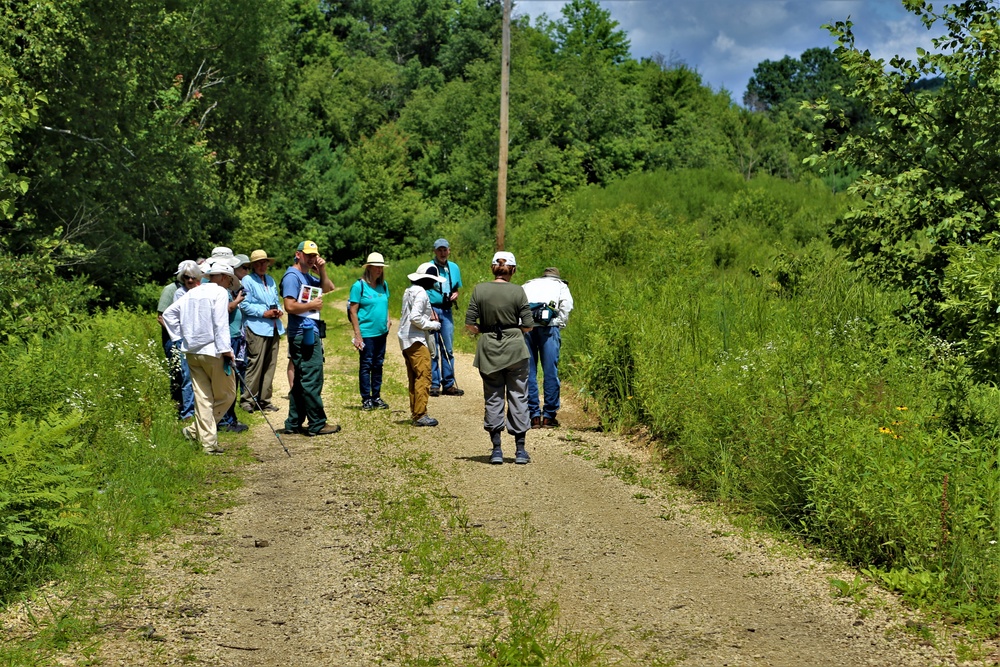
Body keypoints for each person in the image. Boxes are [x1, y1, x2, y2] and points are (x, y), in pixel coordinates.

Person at [161, 261, 238, 454]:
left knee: (203, 398)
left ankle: (205, 441)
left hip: (192, 352)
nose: (229, 283)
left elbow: (169, 314)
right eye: (229, 279)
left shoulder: (193, 292)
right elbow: (221, 323)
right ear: (222, 277)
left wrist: (180, 338)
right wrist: (226, 350)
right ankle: (200, 434)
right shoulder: (219, 293)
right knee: (227, 394)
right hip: (213, 351)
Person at [465, 251, 534, 465]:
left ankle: (496, 450)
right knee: (518, 395)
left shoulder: (480, 290)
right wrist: (515, 330)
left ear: (493, 268)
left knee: (493, 396)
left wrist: (482, 330)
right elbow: (528, 324)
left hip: (489, 349)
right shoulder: (518, 291)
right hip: (515, 349)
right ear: (512, 270)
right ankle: (520, 451)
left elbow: (470, 323)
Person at [280, 240, 340, 436]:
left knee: (300, 381)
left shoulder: (306, 275)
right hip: (302, 334)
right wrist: (311, 305)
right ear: (298, 254)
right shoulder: (292, 277)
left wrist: (321, 270)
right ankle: (317, 423)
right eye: (308, 255)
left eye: (314, 255)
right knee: (312, 377)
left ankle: (294, 422)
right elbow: (288, 306)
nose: (312, 258)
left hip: (306, 332)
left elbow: (329, 287)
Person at [521, 267, 574, 428]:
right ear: (556, 277)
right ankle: (549, 416)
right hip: (549, 327)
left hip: (527, 327)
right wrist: (560, 324)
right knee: (550, 371)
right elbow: (567, 306)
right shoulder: (560, 286)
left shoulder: (528, 285)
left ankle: (533, 415)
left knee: (529, 371)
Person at [399, 263, 444, 427]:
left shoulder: (409, 290)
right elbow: (415, 317)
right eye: (432, 280)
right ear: (426, 279)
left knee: (414, 376)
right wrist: (433, 325)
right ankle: (420, 415)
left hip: (405, 339)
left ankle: (416, 412)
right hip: (416, 339)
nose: (434, 283)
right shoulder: (422, 293)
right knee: (424, 376)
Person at [240, 249, 284, 414]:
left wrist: (279, 310)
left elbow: (276, 301)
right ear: (253, 265)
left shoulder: (271, 280)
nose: (262, 265)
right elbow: (244, 304)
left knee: (270, 365)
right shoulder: (247, 280)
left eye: (264, 262)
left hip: (273, 326)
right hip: (256, 327)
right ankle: (247, 400)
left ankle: (264, 400)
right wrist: (263, 312)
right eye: (258, 263)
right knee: (255, 364)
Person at [348, 252, 391, 411]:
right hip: (366, 333)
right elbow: (353, 311)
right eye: (376, 267)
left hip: (381, 332)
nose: (379, 269)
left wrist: (388, 319)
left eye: (381, 267)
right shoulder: (358, 286)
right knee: (366, 365)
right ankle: (366, 398)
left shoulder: (383, 285)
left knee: (378, 364)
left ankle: (376, 396)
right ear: (369, 267)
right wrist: (357, 335)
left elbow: (385, 304)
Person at [218, 254, 251, 433]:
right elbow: (225, 309)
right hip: (229, 338)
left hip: (237, 337)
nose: (246, 271)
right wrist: (236, 302)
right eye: (243, 268)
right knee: (228, 380)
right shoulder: (222, 291)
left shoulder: (231, 289)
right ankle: (225, 421)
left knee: (235, 380)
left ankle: (231, 419)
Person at [428, 238, 464, 397]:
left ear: (449, 250)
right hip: (432, 310)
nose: (442, 253)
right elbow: (422, 289)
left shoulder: (454, 267)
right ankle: (434, 384)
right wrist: (428, 310)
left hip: (447, 310)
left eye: (445, 250)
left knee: (448, 348)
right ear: (435, 251)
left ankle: (448, 384)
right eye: (439, 250)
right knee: (433, 348)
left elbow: (456, 287)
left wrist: (455, 294)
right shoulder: (428, 267)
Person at [168, 260, 203, 421]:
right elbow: (172, 317)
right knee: (187, 377)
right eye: (187, 277)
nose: (190, 280)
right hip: (185, 340)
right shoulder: (180, 293)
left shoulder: (201, 291)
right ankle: (187, 413)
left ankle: (200, 410)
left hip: (200, 340)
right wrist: (177, 338)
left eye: (193, 277)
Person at [156, 265, 185, 416]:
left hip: (185, 339)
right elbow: (161, 317)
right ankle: (177, 406)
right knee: (177, 372)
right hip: (172, 339)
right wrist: (176, 334)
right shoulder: (170, 289)